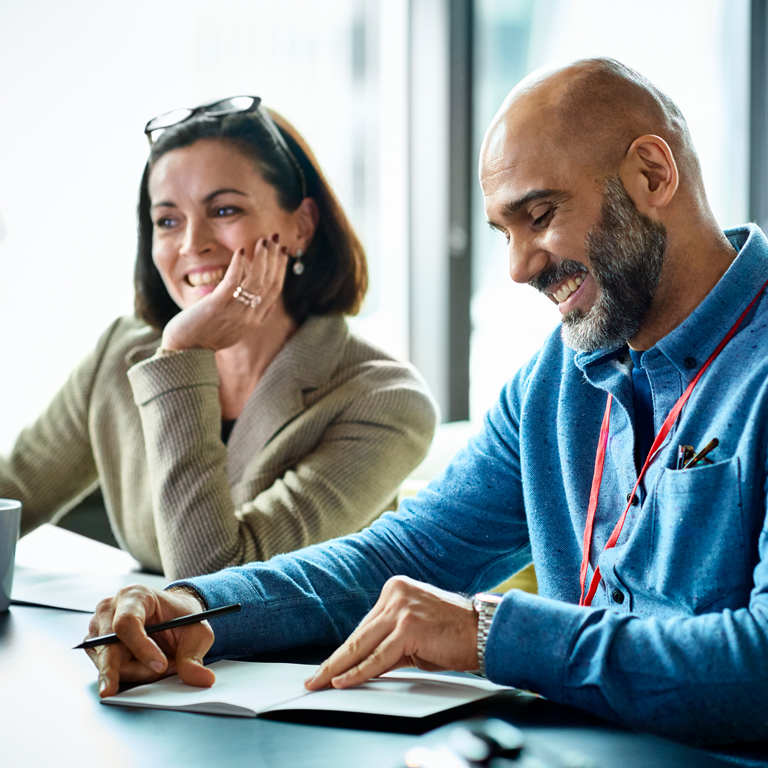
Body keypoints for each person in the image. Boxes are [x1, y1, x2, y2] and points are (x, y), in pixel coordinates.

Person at [87, 60, 768, 751]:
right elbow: (409, 553)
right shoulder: (555, 381)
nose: (519, 267)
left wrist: (489, 632)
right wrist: (198, 608)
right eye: (505, 232)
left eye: (540, 216)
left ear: (652, 174)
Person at [1, 96, 438, 580]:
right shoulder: (121, 354)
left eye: (225, 209)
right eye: (167, 220)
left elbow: (215, 584)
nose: (191, 244)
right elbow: (14, 488)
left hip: (298, 657)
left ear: (301, 226)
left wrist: (185, 354)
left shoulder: (387, 402)